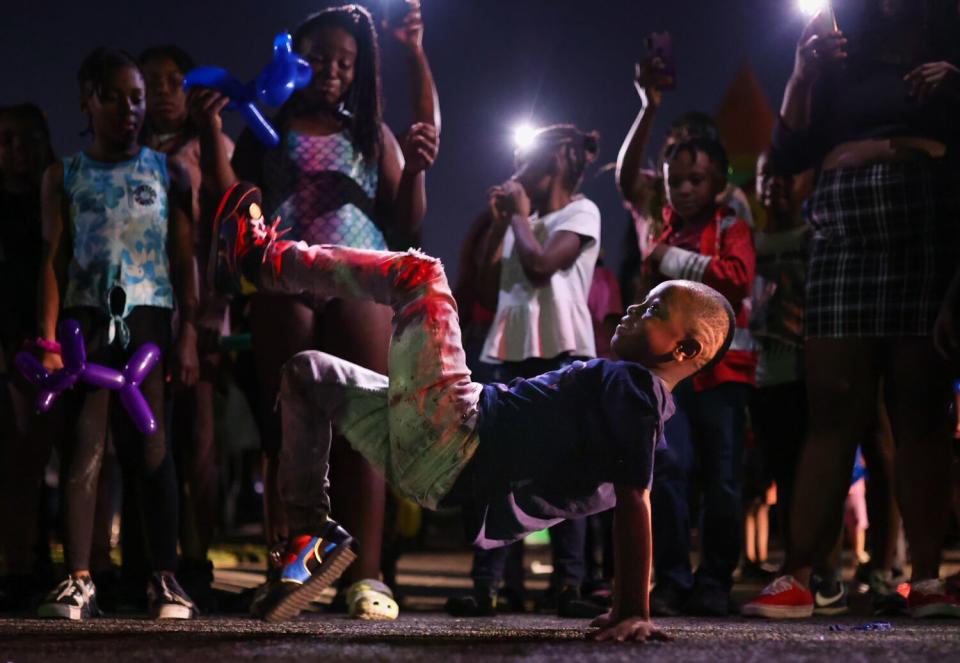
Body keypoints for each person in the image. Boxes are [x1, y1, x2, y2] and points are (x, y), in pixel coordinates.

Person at [205, 180, 735, 641]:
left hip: (460, 435)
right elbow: (620, 496)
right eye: (642, 299)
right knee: (306, 374)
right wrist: (624, 605)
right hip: (437, 472)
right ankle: (308, 532)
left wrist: (636, 612)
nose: (634, 309)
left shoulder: (636, 390)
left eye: (653, 310)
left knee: (421, 277)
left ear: (685, 352)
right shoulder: (638, 418)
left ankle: (264, 262)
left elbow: (634, 503)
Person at [189, 3, 439, 620]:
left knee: (365, 428)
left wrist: (418, 171)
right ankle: (292, 572)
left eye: (345, 62)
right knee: (286, 434)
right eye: (318, 58)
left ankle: (368, 577)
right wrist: (207, 136)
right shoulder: (265, 128)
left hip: (358, 278)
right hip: (284, 279)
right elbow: (231, 202)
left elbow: (406, 221)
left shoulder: (370, 134)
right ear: (292, 60)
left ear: (359, 71)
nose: (331, 70)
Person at [742, 2, 960, 618]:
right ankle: (799, 577)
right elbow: (787, 156)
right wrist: (801, 75)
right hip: (844, 230)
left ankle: (926, 578)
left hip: (926, 227)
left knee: (920, 407)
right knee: (833, 407)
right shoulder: (836, 34)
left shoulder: (947, 28)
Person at [34, 47, 199, 620]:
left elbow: (184, 257)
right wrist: (50, 338)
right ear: (88, 101)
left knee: (153, 449)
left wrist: (189, 333)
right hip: (85, 323)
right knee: (86, 444)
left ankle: (164, 577)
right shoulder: (65, 175)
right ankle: (78, 576)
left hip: (151, 320)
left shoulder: (165, 169)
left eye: (137, 97)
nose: (131, 108)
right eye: (115, 96)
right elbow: (53, 259)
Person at [447, 124, 604, 618]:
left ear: (558, 158)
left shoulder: (581, 212)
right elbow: (486, 288)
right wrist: (499, 224)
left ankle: (568, 586)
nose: (515, 171)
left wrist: (517, 219)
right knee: (497, 472)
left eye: (525, 160)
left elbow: (542, 266)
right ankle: (486, 586)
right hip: (509, 351)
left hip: (562, 353)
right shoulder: (520, 221)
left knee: (566, 475)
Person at [635, 136, 756, 616]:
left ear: (719, 181)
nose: (684, 190)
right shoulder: (660, 233)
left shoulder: (732, 227)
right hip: (673, 379)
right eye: (675, 182)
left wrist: (669, 260)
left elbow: (735, 277)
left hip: (725, 375)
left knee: (723, 479)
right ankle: (671, 580)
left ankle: (714, 582)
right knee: (667, 471)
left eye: (696, 179)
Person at [139, 43, 235, 607]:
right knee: (148, 440)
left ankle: (196, 561)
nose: (165, 91)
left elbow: (232, 206)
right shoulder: (127, 149)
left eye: (176, 80)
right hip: (140, 305)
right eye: (152, 82)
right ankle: (149, 562)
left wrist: (207, 320)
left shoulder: (208, 144)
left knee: (199, 441)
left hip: (199, 309)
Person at [0, 104, 57, 611]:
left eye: (28, 139)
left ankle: (43, 560)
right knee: (18, 463)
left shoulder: (61, 198)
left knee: (47, 459)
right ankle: (19, 565)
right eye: (6, 140)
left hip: (57, 345)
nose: (18, 151)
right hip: (10, 348)